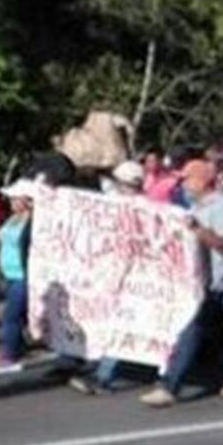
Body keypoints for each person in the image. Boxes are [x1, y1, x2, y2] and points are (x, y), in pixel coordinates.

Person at [141, 158, 223, 407]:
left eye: (188, 179)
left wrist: (198, 230)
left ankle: (169, 385)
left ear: (202, 180)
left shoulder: (221, 206)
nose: (184, 184)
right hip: (198, 280)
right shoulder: (195, 206)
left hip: (215, 281)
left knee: (192, 330)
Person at [66, 162, 146, 395]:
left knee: (121, 326)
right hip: (115, 275)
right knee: (116, 325)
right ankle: (103, 369)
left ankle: (103, 376)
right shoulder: (116, 206)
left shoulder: (144, 210)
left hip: (134, 278)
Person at [0, 179, 37, 375]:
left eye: (16, 198)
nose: (11, 201)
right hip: (9, 274)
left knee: (10, 315)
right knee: (14, 315)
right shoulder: (13, 218)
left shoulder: (34, 221)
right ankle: (15, 347)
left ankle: (11, 354)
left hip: (23, 275)